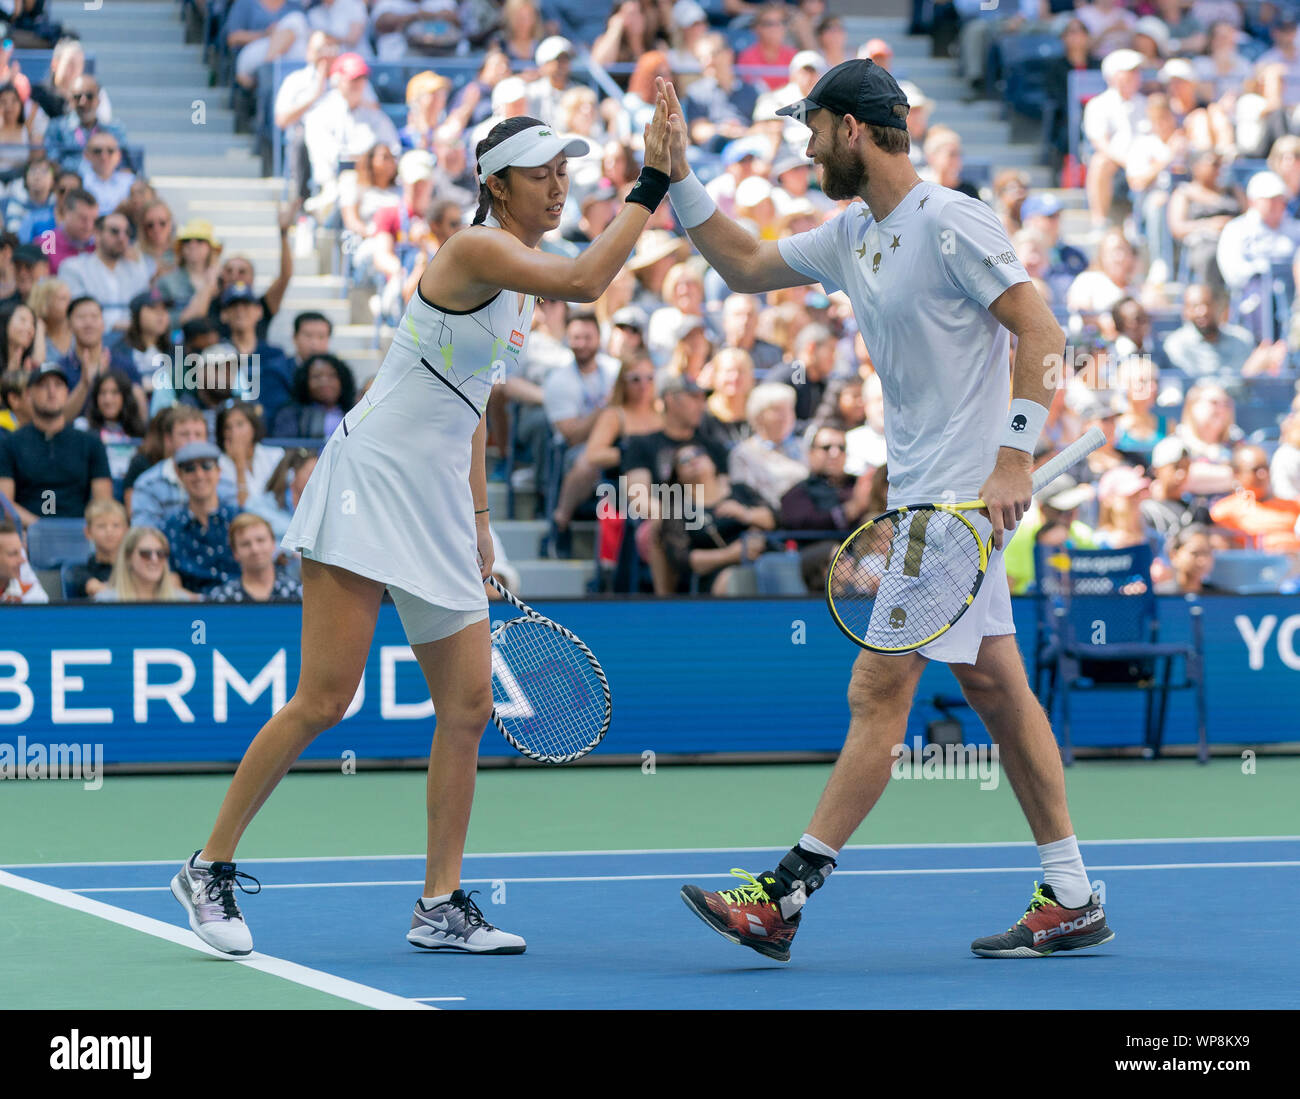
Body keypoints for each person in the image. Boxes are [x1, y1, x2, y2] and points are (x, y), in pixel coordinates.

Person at [168, 106, 675, 958]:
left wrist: (478, 520)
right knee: (326, 697)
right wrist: (652, 182)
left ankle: (439, 904)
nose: (558, 184)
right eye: (541, 171)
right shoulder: (475, 250)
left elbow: (471, 406)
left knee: (468, 705)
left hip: (438, 501)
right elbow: (591, 278)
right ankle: (207, 866)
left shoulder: (516, 281)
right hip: (369, 481)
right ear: (495, 184)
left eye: (564, 170)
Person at [659, 64, 1113, 960]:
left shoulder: (951, 220)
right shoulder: (854, 233)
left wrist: (1015, 451)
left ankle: (782, 897)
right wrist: (677, 177)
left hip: (953, 509)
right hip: (924, 504)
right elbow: (747, 264)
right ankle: (1070, 890)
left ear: (855, 131)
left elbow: (1043, 330)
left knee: (878, 689)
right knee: (995, 686)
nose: (805, 143)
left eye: (814, 127)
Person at [552, 354, 662, 535]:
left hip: (658, 478)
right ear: (623, 382)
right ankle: (561, 520)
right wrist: (632, 453)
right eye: (635, 379)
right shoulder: (615, 414)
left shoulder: (661, 414)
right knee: (583, 466)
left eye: (649, 378)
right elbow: (593, 454)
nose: (643, 385)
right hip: (623, 479)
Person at [0, 361, 111, 526]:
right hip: (27, 534)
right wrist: (41, 528)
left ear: (67, 392)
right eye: (43, 385)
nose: (52, 392)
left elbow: (103, 503)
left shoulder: (90, 443)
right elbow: (5, 504)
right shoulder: (10, 444)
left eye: (58, 385)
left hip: (80, 533)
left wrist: (83, 529)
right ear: (29, 394)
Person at [654, 443, 775, 594]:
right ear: (677, 475)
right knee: (737, 580)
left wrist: (746, 515)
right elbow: (682, 559)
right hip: (716, 575)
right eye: (684, 460)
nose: (693, 460)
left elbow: (775, 518)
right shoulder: (676, 509)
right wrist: (731, 554)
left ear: (712, 462)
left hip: (765, 558)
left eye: (699, 453)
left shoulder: (740, 489)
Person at [159, 440, 241, 594]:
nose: (199, 475)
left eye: (206, 466)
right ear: (179, 475)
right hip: (190, 612)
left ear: (219, 471)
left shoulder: (239, 519)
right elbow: (170, 581)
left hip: (240, 607)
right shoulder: (170, 528)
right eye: (190, 469)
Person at [57, 211, 152, 331]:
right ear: (97, 233)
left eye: (127, 233)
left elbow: (145, 308)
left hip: (133, 341)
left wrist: (140, 263)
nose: (122, 238)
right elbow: (77, 314)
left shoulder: (135, 269)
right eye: (114, 231)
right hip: (92, 341)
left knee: (177, 348)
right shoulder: (74, 268)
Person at [726, 382, 808, 509]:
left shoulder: (803, 446)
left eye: (789, 410)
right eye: (778, 410)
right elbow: (746, 497)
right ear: (759, 415)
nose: (785, 417)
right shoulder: (743, 454)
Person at [1209, 442, 1300, 553]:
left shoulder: (1294, 505)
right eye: (1255, 470)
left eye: (1265, 468)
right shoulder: (1224, 510)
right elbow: (1222, 547)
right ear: (1237, 473)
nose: (1263, 474)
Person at [205, 513, 303, 602]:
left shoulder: (298, 593)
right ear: (235, 552)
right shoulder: (221, 598)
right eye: (245, 544)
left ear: (273, 544)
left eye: (260, 540)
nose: (255, 549)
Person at [93, 524, 193, 602]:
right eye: (146, 553)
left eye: (160, 553)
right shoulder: (106, 602)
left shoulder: (181, 601)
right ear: (128, 557)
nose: (155, 559)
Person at [271, 352, 357, 438]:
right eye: (317, 376)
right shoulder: (291, 415)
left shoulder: (355, 412)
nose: (324, 382)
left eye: (332, 375)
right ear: (305, 382)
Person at [217, 400, 284, 507]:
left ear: (253, 427)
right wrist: (239, 465)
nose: (234, 432)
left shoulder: (276, 455)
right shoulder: (219, 465)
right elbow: (242, 506)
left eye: (240, 424)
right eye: (227, 427)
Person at [63, 497, 127, 598]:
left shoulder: (134, 567)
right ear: (88, 532)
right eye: (101, 526)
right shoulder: (81, 571)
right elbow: (93, 588)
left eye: (116, 525)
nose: (109, 531)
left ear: (126, 530)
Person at [0, 518, 49, 603]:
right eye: (13, 554)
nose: (23, 560)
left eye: (21, 552)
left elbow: (42, 601)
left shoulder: (21, 575)